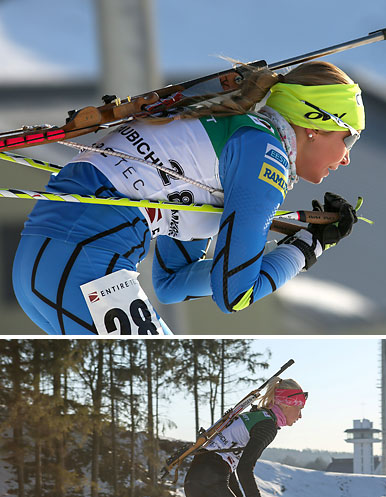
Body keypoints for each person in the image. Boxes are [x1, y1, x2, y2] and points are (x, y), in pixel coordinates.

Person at [12, 62, 363, 335]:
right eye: (349, 139)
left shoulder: (232, 132)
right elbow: (234, 294)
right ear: (314, 124)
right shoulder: (264, 153)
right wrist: (308, 248)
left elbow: (172, 282)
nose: (346, 158)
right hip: (84, 265)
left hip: (46, 264)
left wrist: (290, 247)